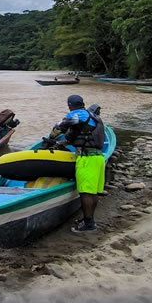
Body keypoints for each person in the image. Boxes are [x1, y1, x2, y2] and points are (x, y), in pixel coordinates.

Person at [45, 94, 106, 233]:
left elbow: (59, 128)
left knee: (85, 192)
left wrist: (51, 138)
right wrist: (65, 142)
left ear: (70, 106)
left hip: (87, 159)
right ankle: (89, 219)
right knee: (93, 192)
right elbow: (82, 135)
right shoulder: (93, 117)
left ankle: (89, 224)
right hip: (98, 158)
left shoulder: (77, 114)